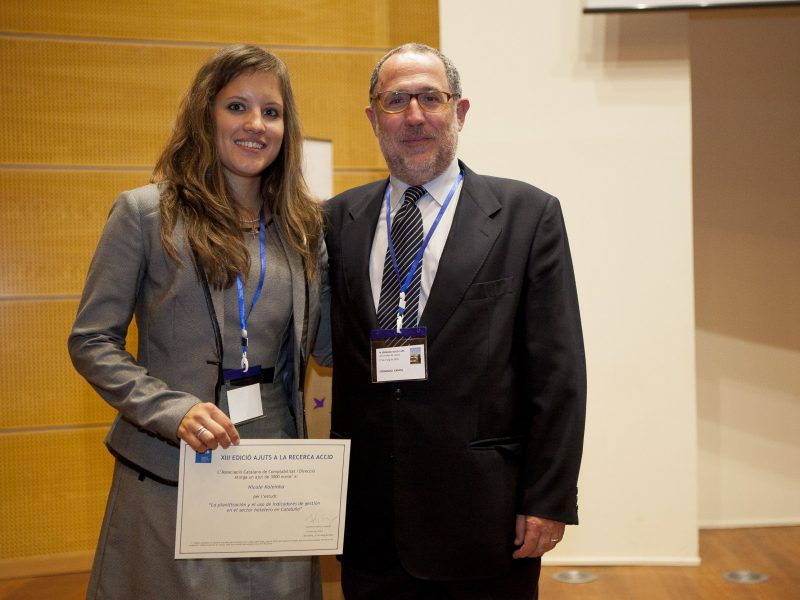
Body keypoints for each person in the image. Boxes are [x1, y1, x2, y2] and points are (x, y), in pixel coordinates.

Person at [324, 43, 586, 599]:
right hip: (370, 521)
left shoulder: (527, 216)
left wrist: (548, 499)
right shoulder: (336, 219)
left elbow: (558, 373)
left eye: (430, 98)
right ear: (374, 119)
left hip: (485, 521)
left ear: (459, 112)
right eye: (396, 101)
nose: (414, 115)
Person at [68, 44, 330, 600]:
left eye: (271, 111)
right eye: (237, 106)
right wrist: (174, 410)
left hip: (274, 478)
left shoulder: (304, 229)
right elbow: (92, 341)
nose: (255, 124)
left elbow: (327, 346)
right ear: (204, 113)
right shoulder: (145, 214)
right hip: (173, 469)